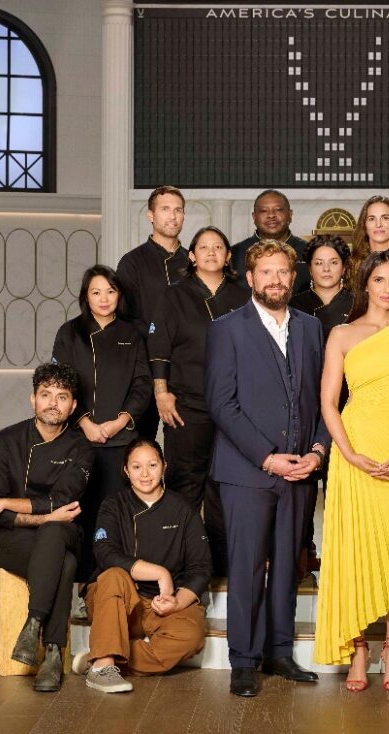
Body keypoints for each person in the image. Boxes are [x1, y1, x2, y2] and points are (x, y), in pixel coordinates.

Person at [205, 239, 331, 697]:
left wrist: (317, 451)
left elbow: (325, 398)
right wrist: (266, 457)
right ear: (251, 278)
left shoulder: (311, 328)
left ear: (293, 278)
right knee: (247, 567)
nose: (275, 280)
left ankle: (279, 652)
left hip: (300, 471)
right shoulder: (227, 329)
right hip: (247, 473)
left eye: (283, 272)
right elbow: (222, 404)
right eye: (266, 272)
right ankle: (244, 660)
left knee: (287, 567)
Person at [313, 250, 389, 693]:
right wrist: (347, 452)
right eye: (380, 280)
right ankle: (359, 649)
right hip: (354, 452)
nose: (388, 288)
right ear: (364, 283)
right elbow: (328, 402)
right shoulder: (342, 334)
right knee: (354, 550)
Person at [0, 363, 93, 692]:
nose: (53, 403)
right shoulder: (5, 441)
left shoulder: (81, 447)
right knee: (64, 561)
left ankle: (33, 623)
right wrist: (43, 516)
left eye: (62, 397)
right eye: (46, 394)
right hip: (11, 541)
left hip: (65, 532)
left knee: (55, 533)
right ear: (33, 399)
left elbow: (62, 500)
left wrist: (7, 502)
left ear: (73, 406)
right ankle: (52, 652)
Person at [148, 226, 250, 577]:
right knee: (185, 483)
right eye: (203, 247)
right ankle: (181, 562)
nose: (210, 253)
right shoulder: (174, 295)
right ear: (191, 256)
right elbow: (158, 348)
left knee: (226, 484)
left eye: (218, 247)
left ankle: (223, 564)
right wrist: (161, 393)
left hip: (233, 406)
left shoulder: (243, 294)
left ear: (228, 256)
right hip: (186, 404)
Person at [71, 438, 211, 693]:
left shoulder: (183, 509)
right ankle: (103, 665)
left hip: (163, 604)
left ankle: (104, 658)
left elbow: (200, 567)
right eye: (136, 467)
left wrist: (176, 602)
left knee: (190, 637)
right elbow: (105, 553)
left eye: (152, 465)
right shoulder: (113, 505)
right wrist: (160, 573)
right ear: (126, 470)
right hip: (118, 603)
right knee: (113, 575)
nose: (145, 474)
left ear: (164, 466)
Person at [52, 265, 151, 585]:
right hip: (77, 438)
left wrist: (119, 422)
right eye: (96, 292)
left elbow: (142, 384)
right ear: (86, 296)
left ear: (119, 295)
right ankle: (78, 581)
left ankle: (113, 583)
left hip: (120, 440)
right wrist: (84, 422)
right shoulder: (69, 333)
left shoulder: (132, 334)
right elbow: (60, 383)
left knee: (115, 514)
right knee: (80, 511)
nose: (104, 298)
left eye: (110, 291)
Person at [288, 234, 353, 575]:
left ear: (345, 267)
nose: (326, 269)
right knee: (302, 487)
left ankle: (342, 562)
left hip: (349, 405)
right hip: (304, 406)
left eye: (333, 262)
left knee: (342, 488)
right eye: (318, 263)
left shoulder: (359, 304)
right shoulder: (294, 304)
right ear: (308, 268)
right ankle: (303, 555)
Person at [117, 185, 190, 440]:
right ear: (151, 215)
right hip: (142, 369)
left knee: (184, 445)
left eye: (178, 210)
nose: (173, 216)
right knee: (139, 444)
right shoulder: (132, 262)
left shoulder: (193, 262)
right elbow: (126, 319)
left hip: (185, 370)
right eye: (165, 209)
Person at [231, 189, 311, 294]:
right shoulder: (234, 254)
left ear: (290, 215)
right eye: (264, 211)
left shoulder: (310, 252)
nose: (271, 215)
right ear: (254, 217)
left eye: (278, 210)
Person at [346, 195, 389, 287]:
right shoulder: (352, 264)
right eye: (372, 219)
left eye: (385, 218)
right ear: (364, 226)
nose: (378, 224)